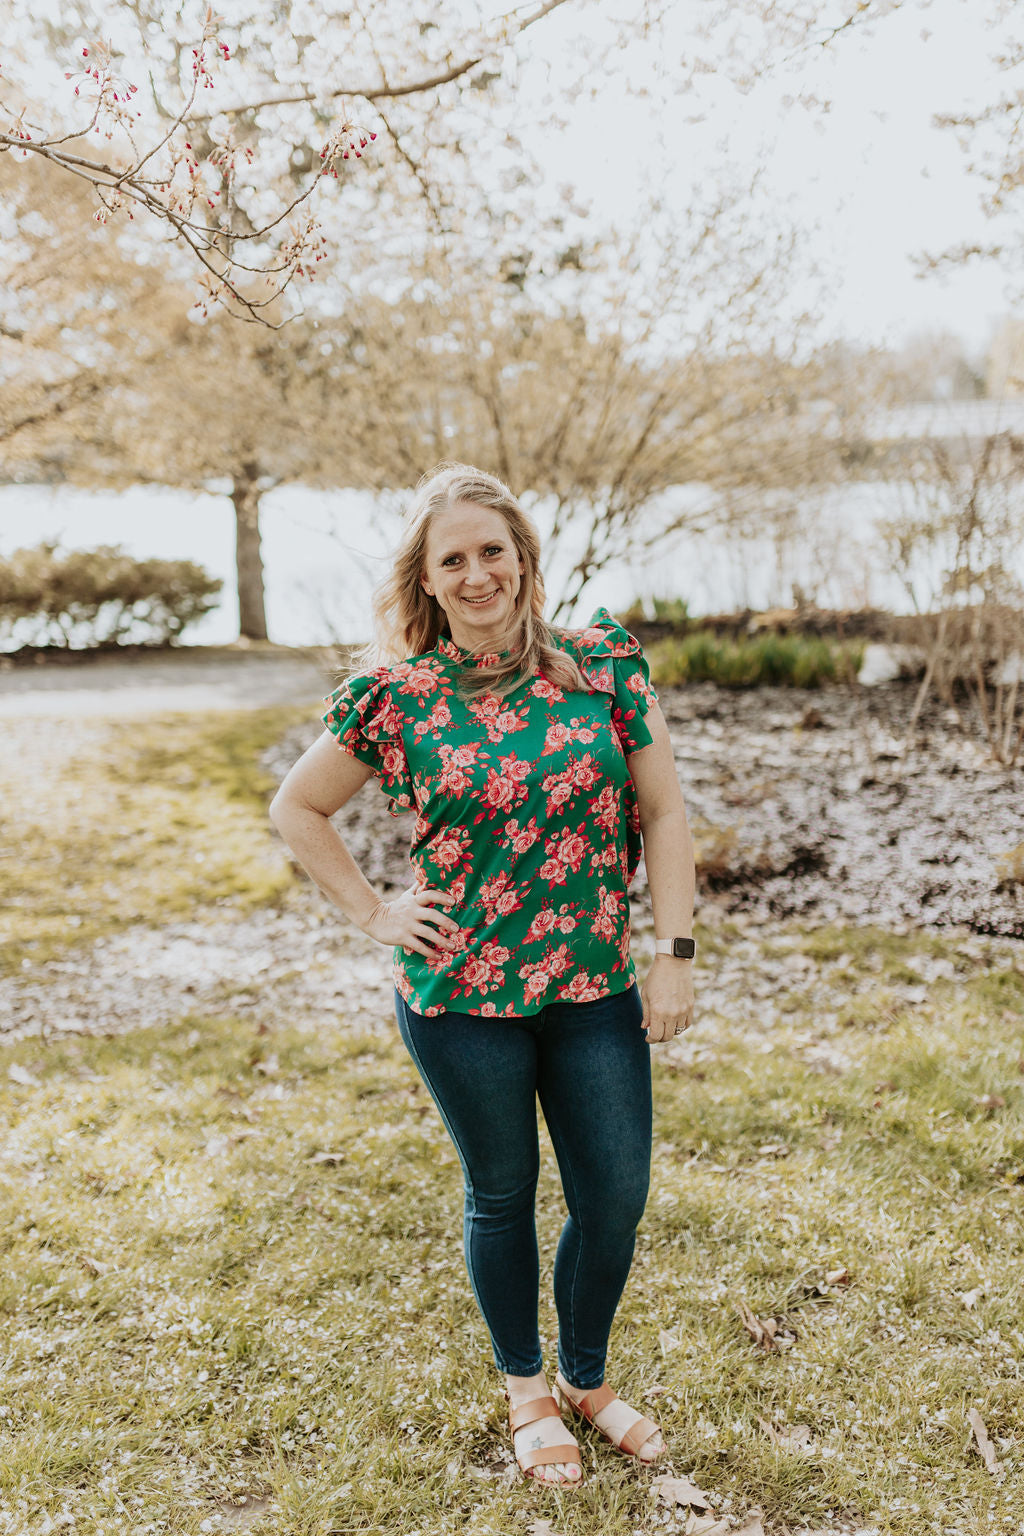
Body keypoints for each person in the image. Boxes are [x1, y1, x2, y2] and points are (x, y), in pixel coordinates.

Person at [269, 463, 696, 1488]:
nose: (475, 575)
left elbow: (665, 813)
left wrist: (672, 952)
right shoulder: (396, 696)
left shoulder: (602, 668)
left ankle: (586, 1380)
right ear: (425, 580)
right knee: (501, 1193)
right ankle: (526, 1390)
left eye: (490, 552)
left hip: (592, 985)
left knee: (614, 1196)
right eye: (450, 559)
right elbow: (297, 807)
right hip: (461, 1000)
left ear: (523, 560)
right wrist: (375, 911)